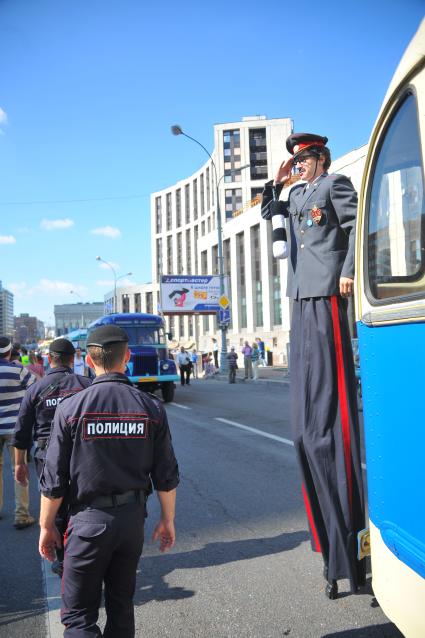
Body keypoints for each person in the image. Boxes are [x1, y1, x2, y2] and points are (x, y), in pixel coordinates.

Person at [261, 132, 365, 599]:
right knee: (305, 434)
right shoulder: (297, 194)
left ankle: (354, 556)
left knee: (333, 425)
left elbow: (357, 224)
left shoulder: (335, 185)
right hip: (301, 301)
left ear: (320, 158)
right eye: (295, 161)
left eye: (303, 159)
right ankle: (331, 552)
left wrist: (346, 273)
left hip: (327, 295)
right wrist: (276, 184)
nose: (298, 165)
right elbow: (271, 215)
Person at [38, 325, 179, 637]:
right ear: (126, 357)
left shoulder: (70, 408)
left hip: (87, 524)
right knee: (121, 607)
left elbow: (54, 480)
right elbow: (166, 475)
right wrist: (167, 520)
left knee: (78, 618)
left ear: (89, 361)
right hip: (131, 523)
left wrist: (47, 526)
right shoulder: (151, 407)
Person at [13, 337, 92, 575]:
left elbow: (22, 432)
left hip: (47, 455)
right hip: (81, 453)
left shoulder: (35, 389)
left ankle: (63, 559)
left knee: (54, 504)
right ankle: (85, 553)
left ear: (49, 359)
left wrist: (19, 464)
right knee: (83, 503)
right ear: (72, 359)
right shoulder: (86, 385)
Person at [0, 336, 36, 529]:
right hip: (14, 428)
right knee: (19, 469)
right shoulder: (18, 370)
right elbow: (36, 388)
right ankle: (21, 515)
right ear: (8, 352)